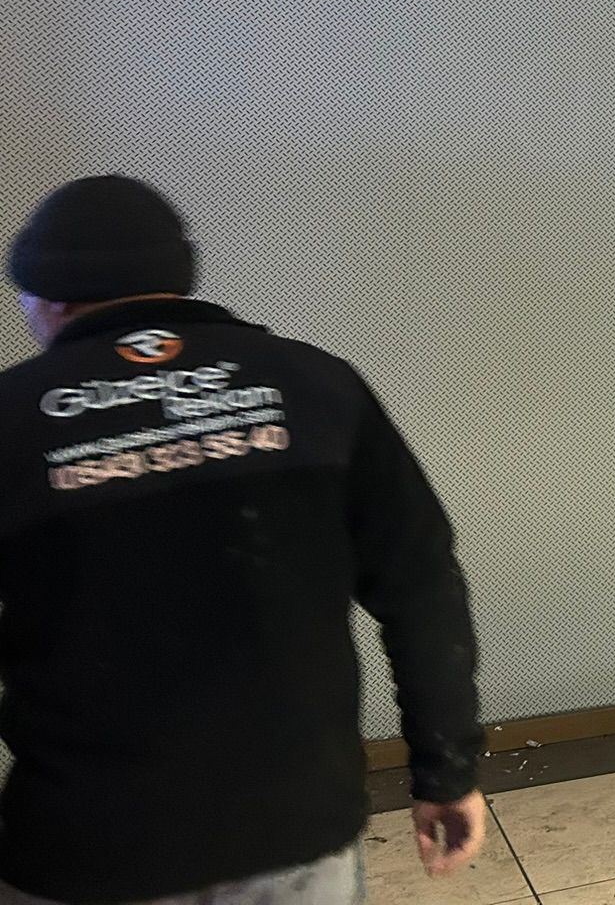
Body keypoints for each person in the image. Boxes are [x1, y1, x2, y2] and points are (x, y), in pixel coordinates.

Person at [0, 176, 487, 903]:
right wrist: (446, 772)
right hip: (295, 825)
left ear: (50, 297)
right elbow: (421, 586)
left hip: (87, 843)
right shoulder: (316, 386)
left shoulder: (10, 419)